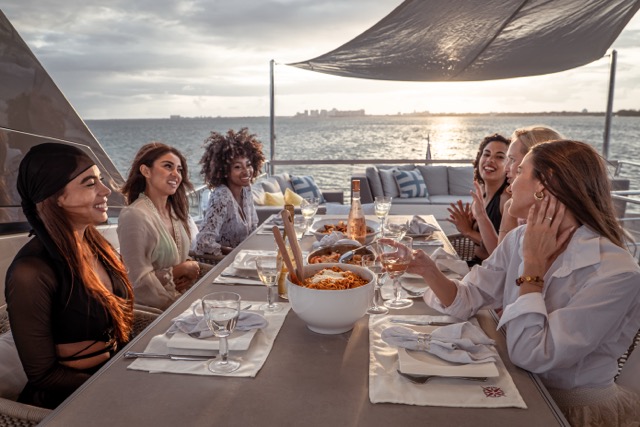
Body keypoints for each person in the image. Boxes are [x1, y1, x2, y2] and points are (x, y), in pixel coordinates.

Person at [403, 139, 640, 425]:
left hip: (570, 411)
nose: (509, 180)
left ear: (545, 186)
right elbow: (468, 298)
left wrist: (533, 267)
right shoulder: (519, 238)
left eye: (520, 171)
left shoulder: (615, 272)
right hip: (516, 386)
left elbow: (533, 355)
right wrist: (429, 271)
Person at [6, 143, 134, 409]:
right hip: (69, 403)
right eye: (90, 183)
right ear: (57, 197)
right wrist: (119, 387)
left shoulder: (99, 247)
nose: (105, 190)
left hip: (115, 381)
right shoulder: (31, 272)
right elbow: (43, 375)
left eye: (100, 179)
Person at [117, 142, 200, 310]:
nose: (176, 174)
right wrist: (181, 269)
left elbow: (178, 255)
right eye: (168, 166)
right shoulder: (134, 216)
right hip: (157, 313)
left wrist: (189, 265)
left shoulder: (175, 212)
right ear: (146, 171)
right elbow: (137, 283)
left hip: (186, 299)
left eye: (179, 169)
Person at [194, 128, 265, 257]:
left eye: (248, 165)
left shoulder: (246, 189)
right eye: (237, 167)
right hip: (222, 265)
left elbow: (253, 228)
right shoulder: (222, 196)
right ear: (224, 171)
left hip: (244, 261)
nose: (246, 171)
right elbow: (203, 243)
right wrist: (236, 253)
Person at [494, 125, 564, 246]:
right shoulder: (514, 207)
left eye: (512, 160)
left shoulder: (562, 222)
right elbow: (500, 261)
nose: (505, 168)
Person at [448, 133, 510, 264]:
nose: (490, 160)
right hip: (474, 263)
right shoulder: (481, 192)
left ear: (509, 165)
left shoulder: (506, 200)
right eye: (486, 154)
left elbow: (504, 252)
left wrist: (468, 232)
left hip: (492, 272)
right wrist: (467, 224)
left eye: (499, 157)